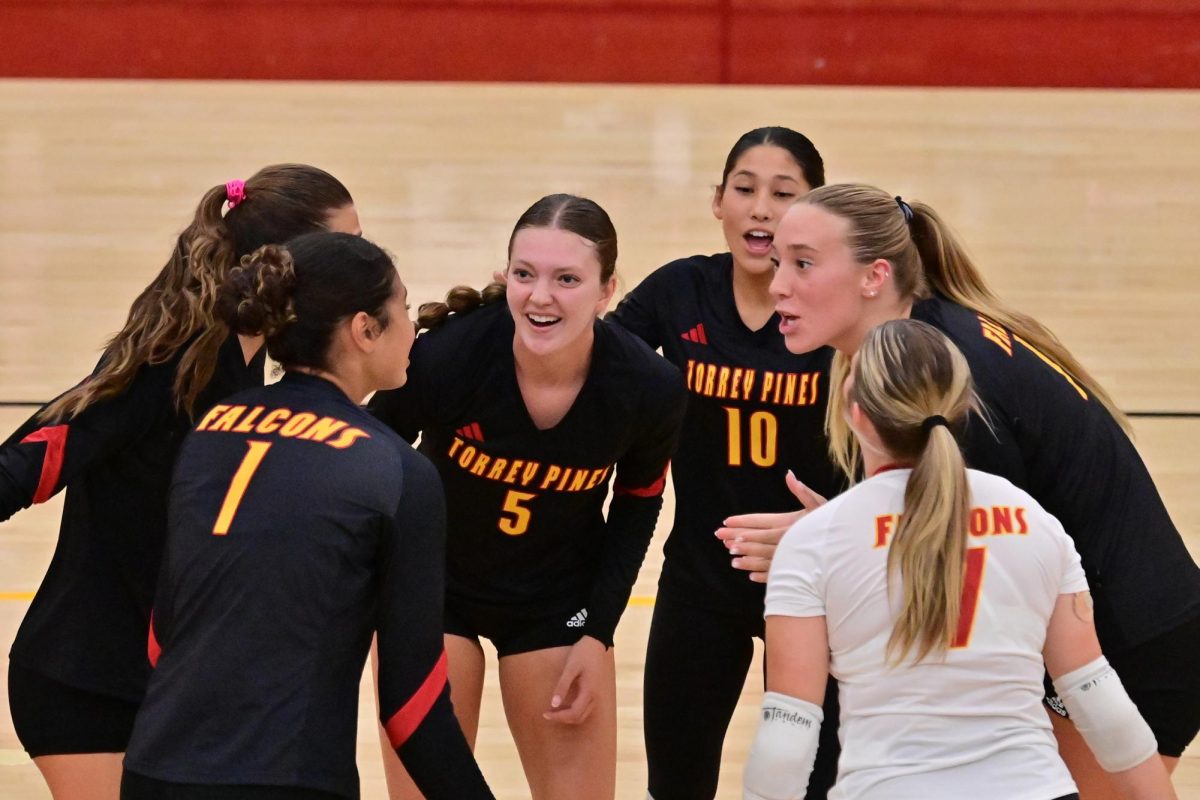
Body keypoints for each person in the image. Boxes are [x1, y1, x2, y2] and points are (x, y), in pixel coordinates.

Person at [733, 182, 1200, 795]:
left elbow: (976, 548)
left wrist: (829, 542)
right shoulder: (923, 353)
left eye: (803, 264)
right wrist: (842, 530)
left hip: (1130, 641)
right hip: (1122, 628)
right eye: (776, 264)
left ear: (874, 276)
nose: (778, 287)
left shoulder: (951, 379)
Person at [0, 164, 360, 800]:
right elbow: (34, 458)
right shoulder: (172, 363)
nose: (357, 261)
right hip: (87, 683)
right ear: (284, 262)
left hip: (170, 688)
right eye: (346, 243)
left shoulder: (257, 362)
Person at [121, 232, 493, 800]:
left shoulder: (212, 428)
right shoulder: (393, 469)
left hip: (154, 772)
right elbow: (414, 712)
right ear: (364, 330)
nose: (413, 327)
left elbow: (161, 636)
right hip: (288, 780)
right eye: (402, 308)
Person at [368, 193, 686, 800]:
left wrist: (597, 632)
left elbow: (638, 505)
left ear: (607, 290)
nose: (541, 297)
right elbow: (368, 460)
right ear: (504, 276)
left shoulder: (648, 386)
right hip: (436, 590)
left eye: (567, 279)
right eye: (525, 274)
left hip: (556, 601)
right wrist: (374, 591)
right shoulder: (447, 357)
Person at [606, 126, 843, 800]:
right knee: (676, 784)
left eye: (783, 193)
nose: (761, 208)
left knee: (812, 785)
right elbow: (598, 361)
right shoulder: (681, 291)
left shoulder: (834, 303)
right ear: (718, 202)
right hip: (701, 574)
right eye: (744, 189)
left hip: (814, 579)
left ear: (813, 210)